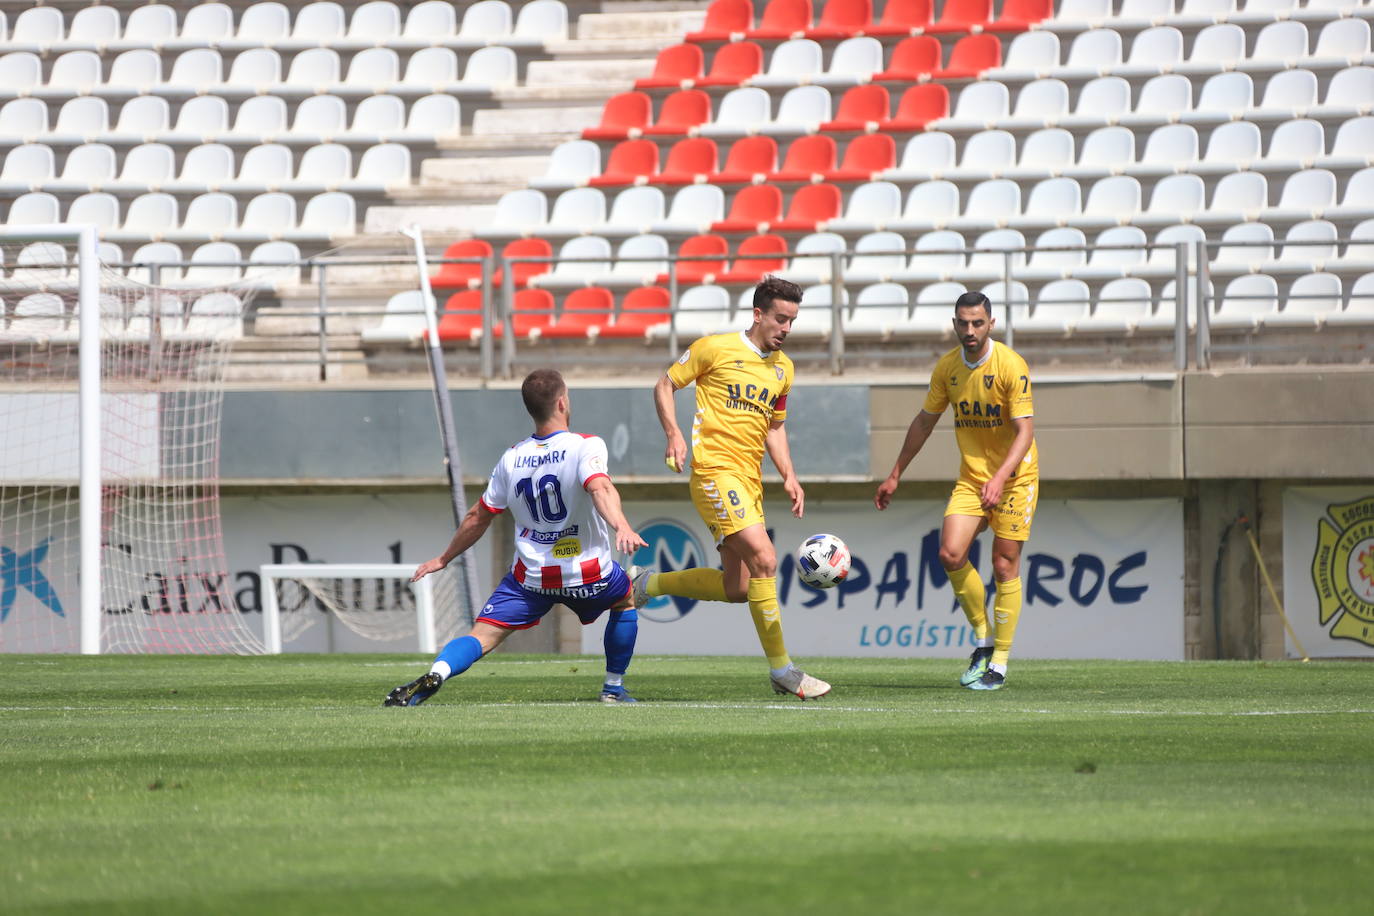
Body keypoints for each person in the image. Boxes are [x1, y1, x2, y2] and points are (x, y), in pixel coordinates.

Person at [385, 369, 647, 706]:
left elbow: (478, 516)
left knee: (482, 635)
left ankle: (439, 671)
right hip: (586, 571)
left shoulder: (511, 458)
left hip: (531, 578)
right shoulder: (586, 444)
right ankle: (612, 688)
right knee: (624, 599)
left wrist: (444, 558)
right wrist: (621, 526)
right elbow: (599, 486)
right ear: (563, 401)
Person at [630, 276, 831, 700]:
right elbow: (664, 384)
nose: (786, 329)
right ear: (758, 314)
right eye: (780, 318)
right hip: (713, 473)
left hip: (749, 481)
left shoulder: (783, 369)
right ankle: (783, 671)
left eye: (792, 321)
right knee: (765, 557)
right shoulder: (714, 348)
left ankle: (648, 585)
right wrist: (673, 434)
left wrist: (790, 475)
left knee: (737, 588)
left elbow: (775, 428)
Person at [874, 290, 1039, 691]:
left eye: (977, 323)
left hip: (1015, 477)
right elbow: (925, 422)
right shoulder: (948, 368)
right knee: (949, 553)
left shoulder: (1010, 365)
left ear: (991, 324)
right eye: (963, 323)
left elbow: (1025, 431)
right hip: (972, 478)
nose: (969, 330)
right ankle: (983, 640)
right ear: (954, 324)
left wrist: (1001, 477)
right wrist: (895, 473)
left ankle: (999, 660)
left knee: (1004, 565)